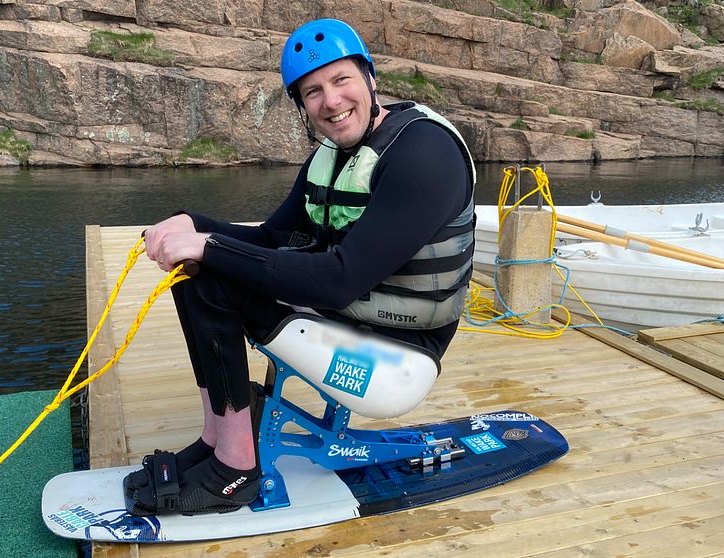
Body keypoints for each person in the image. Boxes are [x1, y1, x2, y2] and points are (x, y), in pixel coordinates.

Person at [128, 18, 476, 516]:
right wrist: (194, 224)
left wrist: (207, 244)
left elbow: (339, 281)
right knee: (196, 275)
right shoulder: (333, 155)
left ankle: (235, 473)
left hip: (401, 357)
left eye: (341, 81)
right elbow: (270, 239)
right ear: (301, 105)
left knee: (216, 285)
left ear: (370, 79)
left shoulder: (424, 154)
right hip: (354, 320)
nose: (330, 102)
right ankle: (219, 441)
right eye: (312, 92)